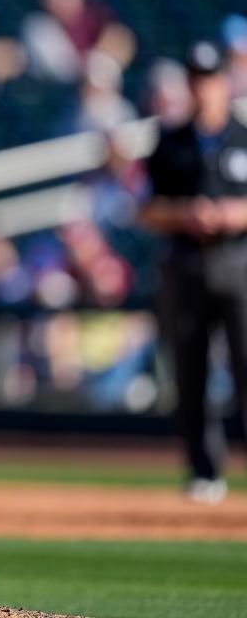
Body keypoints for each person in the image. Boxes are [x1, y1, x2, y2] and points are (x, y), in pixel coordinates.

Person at [139, 40, 247, 505]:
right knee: (190, 372)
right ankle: (204, 469)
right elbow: (147, 210)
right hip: (186, 262)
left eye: (210, 78)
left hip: (239, 260)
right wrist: (186, 214)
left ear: (224, 82)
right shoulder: (170, 140)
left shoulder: (242, 138)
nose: (204, 88)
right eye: (197, 79)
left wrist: (228, 215)